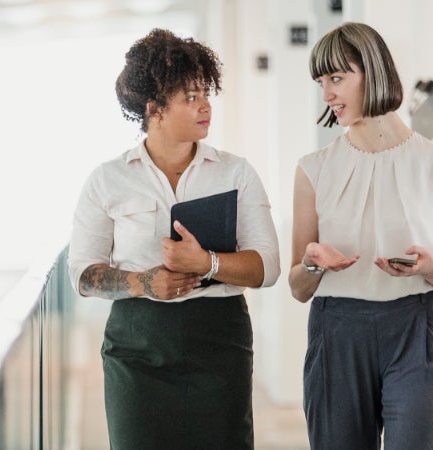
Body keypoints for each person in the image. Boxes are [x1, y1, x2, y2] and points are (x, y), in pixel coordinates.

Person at [68, 28, 281, 449]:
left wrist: (208, 264)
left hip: (219, 341)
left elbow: (268, 266)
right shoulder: (108, 180)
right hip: (136, 346)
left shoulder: (235, 173)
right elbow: (82, 273)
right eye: (190, 97)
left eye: (206, 94)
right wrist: (142, 283)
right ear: (154, 109)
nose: (206, 107)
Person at [290, 22, 433, 449]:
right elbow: (298, 288)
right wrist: (313, 263)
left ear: (373, 71)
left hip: (417, 328)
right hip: (336, 331)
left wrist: (431, 269)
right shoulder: (312, 170)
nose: (327, 94)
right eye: (321, 82)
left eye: (336, 78)